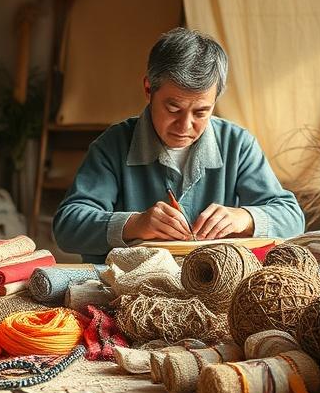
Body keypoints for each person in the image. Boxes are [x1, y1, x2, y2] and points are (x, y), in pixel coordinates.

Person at [53, 28, 305, 262]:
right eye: (173, 108)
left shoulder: (237, 144)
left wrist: (244, 218)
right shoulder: (113, 144)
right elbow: (67, 226)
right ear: (148, 89)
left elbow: (292, 219)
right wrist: (135, 224)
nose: (185, 125)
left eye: (201, 112)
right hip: (128, 290)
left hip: (213, 289)